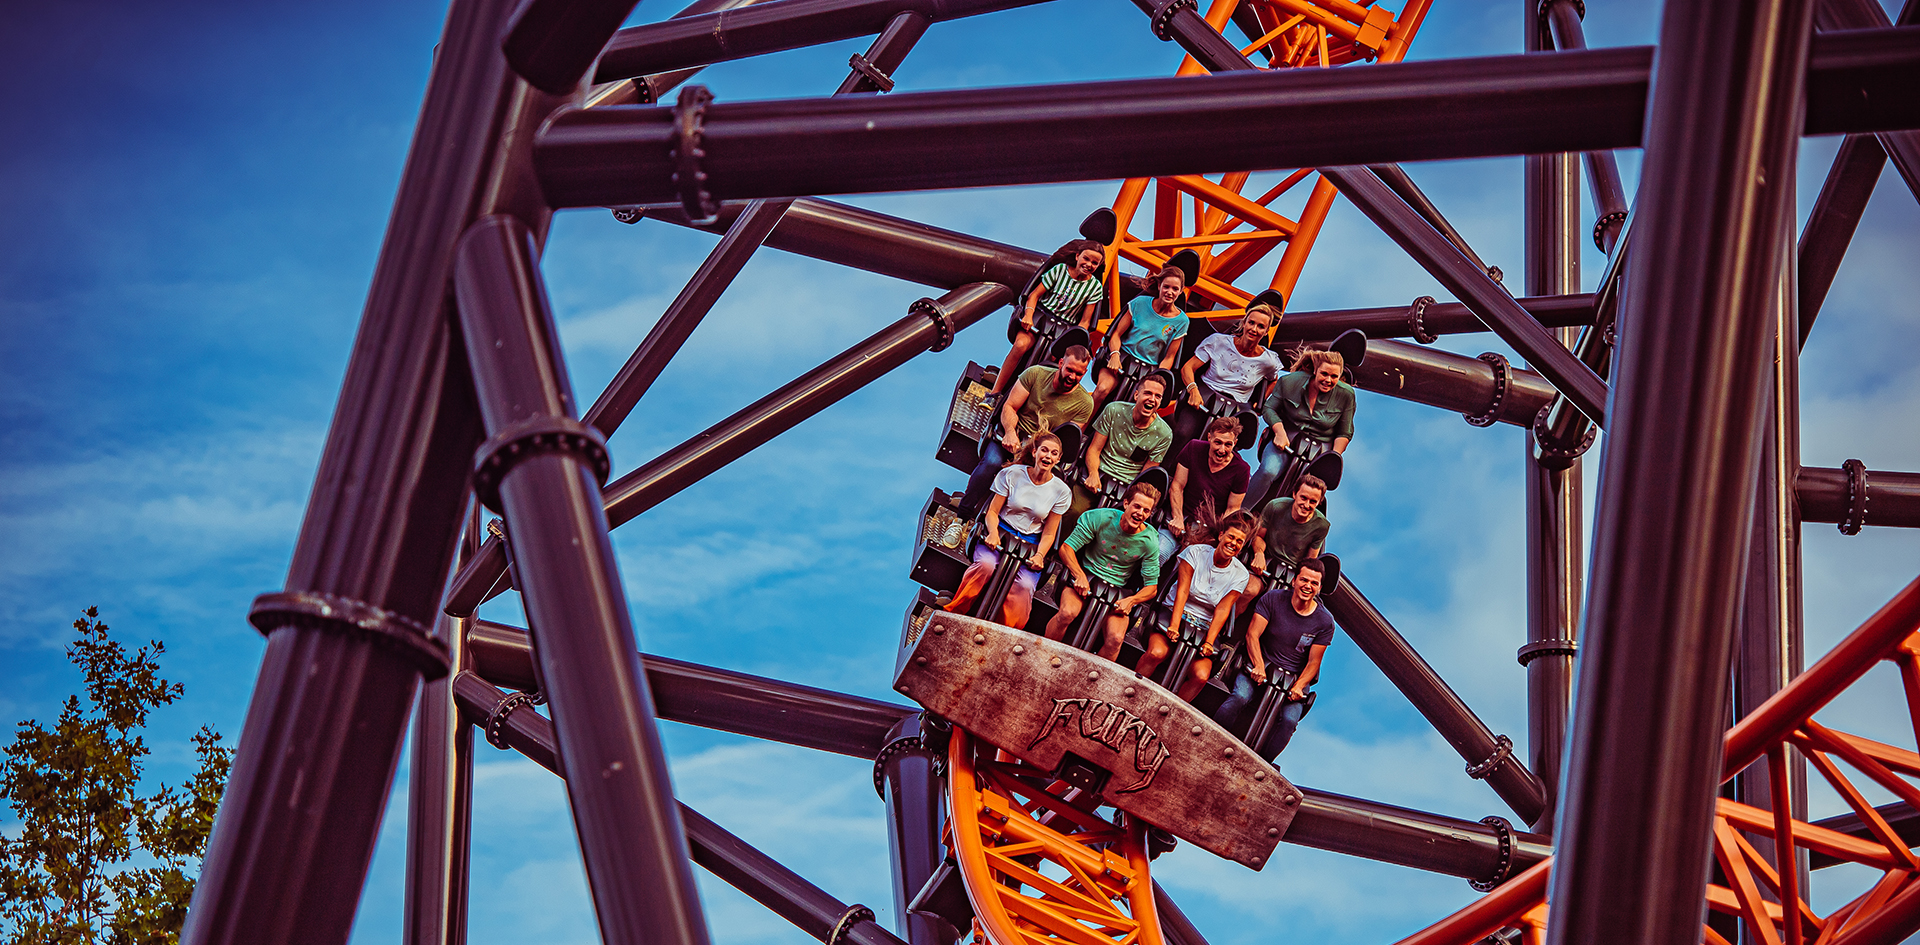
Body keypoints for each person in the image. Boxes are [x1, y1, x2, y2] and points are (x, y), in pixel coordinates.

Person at [941, 432, 1071, 631]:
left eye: (1054, 453)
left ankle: (1006, 633)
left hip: (1030, 541)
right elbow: (992, 511)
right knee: (985, 565)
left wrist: (1040, 555)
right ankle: (955, 612)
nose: (1048, 456)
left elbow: (1049, 532)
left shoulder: (1061, 491)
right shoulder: (1012, 474)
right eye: (1044, 450)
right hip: (1002, 529)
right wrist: (992, 532)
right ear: (1035, 452)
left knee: (1025, 586)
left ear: (1058, 459)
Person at [1213, 557, 1336, 762]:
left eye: (1314, 583)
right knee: (1240, 697)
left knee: (1289, 721)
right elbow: (1253, 634)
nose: (1308, 586)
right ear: (1295, 580)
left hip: (1293, 678)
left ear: (1320, 587)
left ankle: (1262, 762)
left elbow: (1314, 661)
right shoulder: (1273, 599)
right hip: (1262, 662)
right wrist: (1259, 665)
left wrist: (1299, 686)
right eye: (1304, 580)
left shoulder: (1324, 621)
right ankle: (1214, 736)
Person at [960, 346, 1094, 517]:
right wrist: (1010, 432)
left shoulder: (1085, 403)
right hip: (1014, 437)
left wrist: (1036, 453)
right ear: (1061, 363)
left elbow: (1064, 439)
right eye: (1069, 370)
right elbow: (1010, 406)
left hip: (1039, 450)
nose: (1072, 377)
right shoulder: (1035, 374)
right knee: (991, 463)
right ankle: (963, 515)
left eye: (1079, 374)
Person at [1136, 511, 1254, 702]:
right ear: (1221, 535)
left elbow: (1223, 609)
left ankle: (1172, 712)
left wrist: (1209, 641)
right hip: (1176, 612)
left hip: (1204, 625)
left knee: (1200, 676)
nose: (1233, 543)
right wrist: (1174, 625)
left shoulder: (1240, 574)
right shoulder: (1196, 552)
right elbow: (1182, 591)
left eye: (1239, 542)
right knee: (1157, 653)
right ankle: (1133, 690)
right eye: (1231, 537)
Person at [1045, 481, 1161, 661]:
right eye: (1137, 506)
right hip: (1087, 575)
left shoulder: (1150, 540)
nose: (1140, 513)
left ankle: (1088, 680)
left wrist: (1131, 600)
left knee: (1116, 639)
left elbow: (1152, 587)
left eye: (1146, 511)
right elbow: (1066, 548)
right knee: (1067, 613)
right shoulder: (1100, 517)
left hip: (1117, 591)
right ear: (1126, 504)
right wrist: (1079, 575)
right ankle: (1045, 656)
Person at [991, 241, 1106, 396]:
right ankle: (995, 392)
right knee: (1021, 345)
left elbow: (1085, 321)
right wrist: (1028, 315)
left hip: (1065, 329)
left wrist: (1076, 341)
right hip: (1041, 316)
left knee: (1053, 361)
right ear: (1078, 256)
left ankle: (1031, 399)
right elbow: (1034, 296)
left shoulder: (1095, 287)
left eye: (1094, 263)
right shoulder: (1060, 271)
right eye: (1086, 259)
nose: (1089, 264)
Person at [1169, 303, 1285, 456]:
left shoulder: (1269, 360)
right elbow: (1188, 368)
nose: (1254, 329)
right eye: (1251, 323)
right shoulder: (1219, 341)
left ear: (1265, 332)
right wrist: (1193, 390)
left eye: (1260, 326)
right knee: (1183, 434)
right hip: (1207, 392)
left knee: (1219, 447)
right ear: (1244, 323)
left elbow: (1274, 379)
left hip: (1237, 405)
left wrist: (1260, 400)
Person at [1248, 348, 1355, 509]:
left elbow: (1345, 431)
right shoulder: (1290, 382)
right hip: (1287, 438)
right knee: (1268, 471)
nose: (1328, 380)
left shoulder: (1347, 395)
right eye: (1324, 374)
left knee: (1311, 492)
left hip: (1321, 449)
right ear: (1315, 371)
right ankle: (1238, 511)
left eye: (1334, 376)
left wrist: (1333, 457)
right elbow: (1269, 408)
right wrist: (1279, 432)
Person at [1091, 266, 1187, 410]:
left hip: (1148, 370)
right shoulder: (1140, 303)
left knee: (1135, 406)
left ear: (1180, 291)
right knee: (1102, 390)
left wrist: (1156, 378)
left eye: (1175, 289)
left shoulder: (1182, 321)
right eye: (1166, 287)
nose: (1169, 292)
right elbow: (1116, 334)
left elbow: (1169, 357)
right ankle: (1078, 427)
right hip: (1122, 358)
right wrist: (1115, 355)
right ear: (1159, 285)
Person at [1161, 416, 1249, 567]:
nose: (1222, 450)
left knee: (1186, 568)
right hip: (1180, 516)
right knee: (1160, 552)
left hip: (1206, 530)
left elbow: (1232, 509)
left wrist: (1211, 536)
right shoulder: (1193, 447)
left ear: (1235, 443)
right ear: (1209, 437)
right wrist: (1178, 518)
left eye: (1228, 445)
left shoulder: (1242, 470)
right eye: (1218, 442)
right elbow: (1177, 486)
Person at [1083, 372, 1173, 496]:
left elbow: (1146, 474)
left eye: (1157, 396)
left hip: (1127, 487)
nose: (1152, 399)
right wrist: (1093, 474)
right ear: (1136, 395)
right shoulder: (1113, 410)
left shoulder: (1164, 434)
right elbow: (1094, 449)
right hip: (1100, 472)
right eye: (1147, 393)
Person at [1245, 475, 1329, 602]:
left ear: (1318, 503)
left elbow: (1309, 561)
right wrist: (1259, 553)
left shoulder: (1321, 525)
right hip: (1266, 565)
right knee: (1248, 591)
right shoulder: (1275, 507)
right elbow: (1258, 536)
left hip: (1291, 577)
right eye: (1303, 498)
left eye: (1312, 502)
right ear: (1295, 494)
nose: (1306, 505)